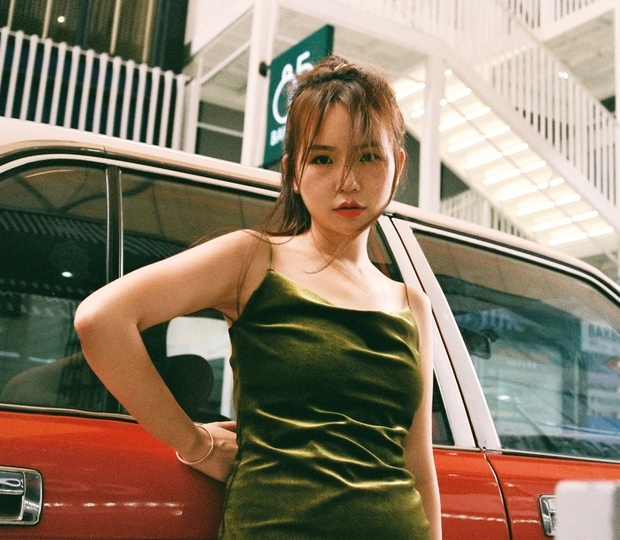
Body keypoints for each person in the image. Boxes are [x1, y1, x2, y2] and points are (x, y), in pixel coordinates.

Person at [75, 55, 442, 539]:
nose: (347, 181)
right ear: (293, 172)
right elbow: (101, 319)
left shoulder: (412, 303)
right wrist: (195, 443)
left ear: (397, 165)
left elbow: (418, 464)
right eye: (323, 159)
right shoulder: (252, 260)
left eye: (368, 156)